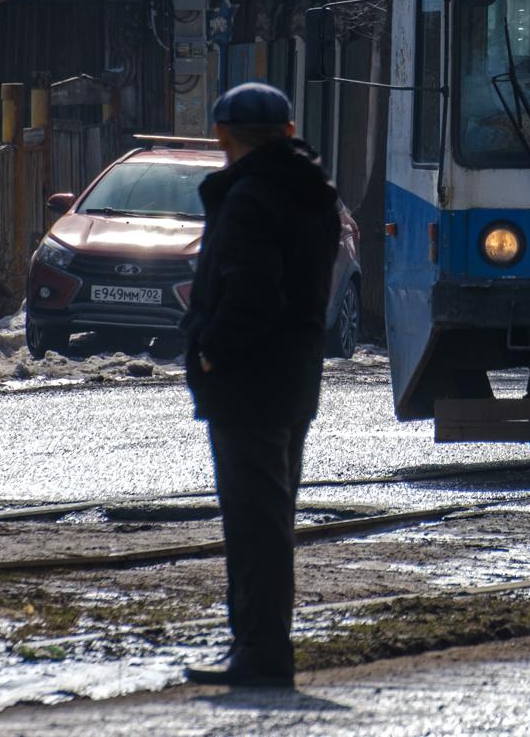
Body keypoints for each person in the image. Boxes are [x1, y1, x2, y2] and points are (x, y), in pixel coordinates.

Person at [179, 82, 341, 689]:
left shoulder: (251, 197)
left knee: (253, 523)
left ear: (224, 136)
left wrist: (214, 352)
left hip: (249, 382)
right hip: (295, 375)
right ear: (289, 133)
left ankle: (260, 652)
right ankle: (260, 645)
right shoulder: (312, 195)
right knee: (272, 517)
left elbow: (250, 290)